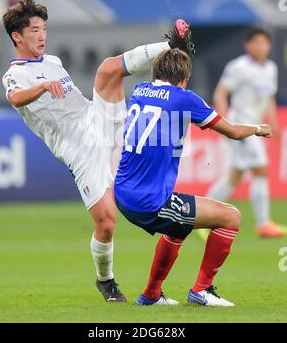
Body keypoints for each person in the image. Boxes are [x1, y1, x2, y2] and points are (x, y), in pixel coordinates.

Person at [2, 0, 182, 302]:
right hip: (79, 148)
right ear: (17, 36)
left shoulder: (53, 62)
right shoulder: (15, 74)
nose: (42, 35)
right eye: (34, 30)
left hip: (94, 118)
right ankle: (106, 280)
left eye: (44, 29)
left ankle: (170, 44)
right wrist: (43, 87)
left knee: (108, 69)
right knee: (107, 222)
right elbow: (16, 100)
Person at [114, 20, 273, 307]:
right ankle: (202, 290)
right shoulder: (184, 98)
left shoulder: (139, 90)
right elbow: (234, 131)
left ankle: (151, 296)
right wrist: (258, 129)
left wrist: (175, 48)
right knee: (230, 217)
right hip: (150, 201)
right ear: (184, 78)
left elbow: (166, 79)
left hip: (123, 194)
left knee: (178, 228)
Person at [207, 28, 286, 238]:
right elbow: (221, 93)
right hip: (241, 127)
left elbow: (268, 97)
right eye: (256, 43)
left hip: (256, 127)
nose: (260, 47)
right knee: (261, 170)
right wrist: (224, 124)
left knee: (233, 177)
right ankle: (263, 224)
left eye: (264, 43)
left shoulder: (270, 68)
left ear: (269, 46)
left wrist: (275, 122)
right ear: (248, 45)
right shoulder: (238, 67)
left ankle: (202, 217)